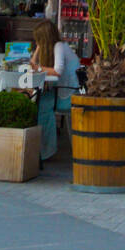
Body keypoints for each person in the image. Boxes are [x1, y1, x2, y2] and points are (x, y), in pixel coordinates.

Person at [31, 19, 81, 161]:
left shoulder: (59, 46)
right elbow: (33, 64)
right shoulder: (59, 46)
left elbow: (57, 71)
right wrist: (38, 49)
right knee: (41, 102)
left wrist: (38, 68)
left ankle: (45, 150)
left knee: (41, 106)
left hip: (68, 95)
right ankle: (43, 149)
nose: (37, 42)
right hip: (65, 91)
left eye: (38, 40)